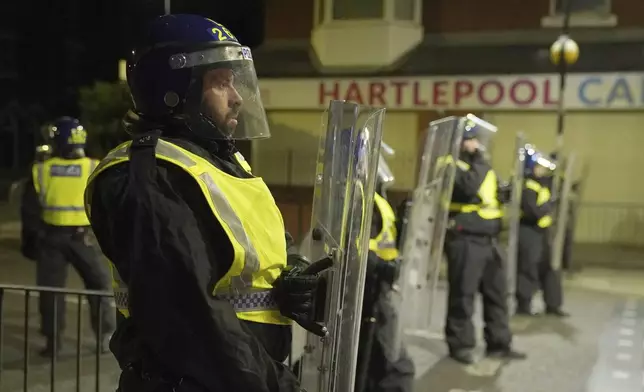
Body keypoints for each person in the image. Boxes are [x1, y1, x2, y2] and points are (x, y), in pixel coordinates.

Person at [83, 14, 329, 391]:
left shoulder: (221, 163)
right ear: (174, 89)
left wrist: (290, 274)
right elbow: (191, 317)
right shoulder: (149, 175)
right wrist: (276, 385)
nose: (237, 99)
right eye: (220, 83)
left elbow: (254, 251)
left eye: (235, 82)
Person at [25, 117, 115, 356]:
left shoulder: (42, 169)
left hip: (50, 238)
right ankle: (106, 338)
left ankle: (53, 343)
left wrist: (29, 244)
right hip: (84, 238)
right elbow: (107, 206)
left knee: (52, 292)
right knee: (100, 287)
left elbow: (30, 211)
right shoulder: (94, 167)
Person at [444, 118, 526, 364]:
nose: (478, 145)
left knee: (497, 294)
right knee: (463, 295)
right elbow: (467, 188)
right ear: (460, 142)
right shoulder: (449, 163)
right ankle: (460, 346)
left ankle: (499, 343)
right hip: (465, 239)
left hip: (490, 240)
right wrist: (481, 162)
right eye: (472, 140)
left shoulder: (481, 166)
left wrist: (503, 192)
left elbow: (487, 194)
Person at [356, 149, 415, 392]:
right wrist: (381, 266)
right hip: (369, 286)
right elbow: (353, 249)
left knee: (381, 353)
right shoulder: (362, 201)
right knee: (392, 357)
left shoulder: (376, 199)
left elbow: (384, 241)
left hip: (380, 284)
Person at [516, 148, 568, 317]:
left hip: (543, 232)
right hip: (529, 231)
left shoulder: (542, 184)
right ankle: (524, 306)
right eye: (539, 167)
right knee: (528, 268)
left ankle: (553, 305)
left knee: (550, 268)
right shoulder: (528, 186)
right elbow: (533, 212)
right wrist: (549, 206)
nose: (542, 170)